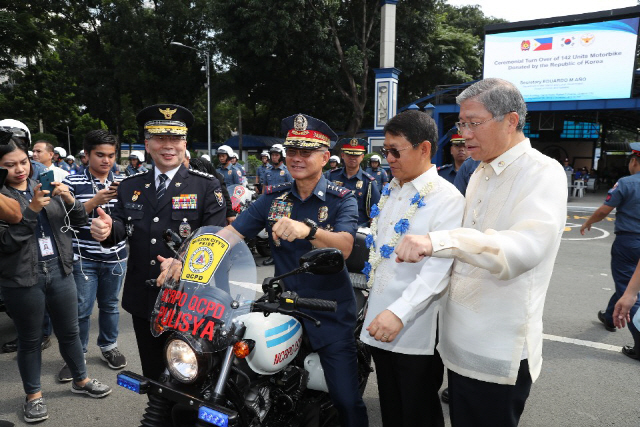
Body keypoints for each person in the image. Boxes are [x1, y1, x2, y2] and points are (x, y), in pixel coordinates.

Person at [394, 78, 567, 427]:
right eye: (461, 123)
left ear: (511, 121)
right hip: (458, 347)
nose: (464, 134)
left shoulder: (542, 172)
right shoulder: (479, 172)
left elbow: (523, 249)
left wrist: (437, 241)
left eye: (474, 123)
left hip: (496, 351)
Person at [226, 113, 368, 427]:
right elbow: (230, 235)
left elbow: (345, 246)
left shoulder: (342, 199)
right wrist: (187, 259)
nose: (296, 158)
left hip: (328, 312)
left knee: (346, 399)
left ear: (325, 158)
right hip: (283, 309)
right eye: (292, 151)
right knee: (255, 388)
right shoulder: (272, 200)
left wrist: (308, 231)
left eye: (306, 152)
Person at [89, 104, 227, 380]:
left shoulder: (207, 186)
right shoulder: (130, 186)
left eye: (175, 139)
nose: (168, 146)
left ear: (185, 143)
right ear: (147, 144)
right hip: (145, 298)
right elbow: (121, 228)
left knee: (191, 375)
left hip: (190, 301)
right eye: (160, 138)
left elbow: (215, 242)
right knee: (153, 374)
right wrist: (105, 231)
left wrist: (184, 263)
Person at [361, 110, 464, 427]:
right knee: (391, 407)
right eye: (385, 151)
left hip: (414, 327)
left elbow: (439, 271)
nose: (388, 158)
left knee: (418, 412)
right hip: (380, 318)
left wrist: (400, 313)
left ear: (424, 149)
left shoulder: (447, 199)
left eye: (396, 150)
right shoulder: (393, 188)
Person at [0, 136, 111, 423]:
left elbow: (77, 222)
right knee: (30, 339)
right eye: (9, 165)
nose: (20, 169)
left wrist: (68, 197)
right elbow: (6, 243)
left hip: (61, 269)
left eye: (23, 161)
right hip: (22, 278)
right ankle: (34, 396)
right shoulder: (2, 198)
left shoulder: (44, 181)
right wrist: (33, 208)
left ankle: (81, 379)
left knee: (70, 331)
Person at [58, 130, 129, 383]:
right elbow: (64, 221)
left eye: (111, 155)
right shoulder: (71, 181)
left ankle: (109, 346)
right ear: (86, 155)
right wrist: (94, 201)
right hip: (83, 258)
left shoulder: (125, 182)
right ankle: (77, 356)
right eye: (100, 155)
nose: (106, 161)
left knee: (110, 306)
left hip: (116, 257)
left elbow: (131, 219)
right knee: (81, 310)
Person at [580, 143, 640, 358]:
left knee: (628, 288)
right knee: (626, 282)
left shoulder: (626, 183)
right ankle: (608, 316)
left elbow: (605, 209)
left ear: (634, 161)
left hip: (629, 242)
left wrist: (588, 222)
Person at [327, 138, 380, 227]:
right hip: (332, 226)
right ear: (342, 155)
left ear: (362, 157)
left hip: (357, 229)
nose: (352, 158)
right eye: (349, 154)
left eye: (356, 155)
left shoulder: (369, 182)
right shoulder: (330, 176)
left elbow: (375, 211)